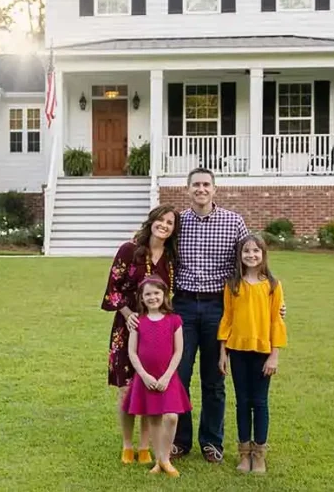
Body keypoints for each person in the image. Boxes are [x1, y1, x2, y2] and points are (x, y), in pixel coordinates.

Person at [171, 167, 248, 464]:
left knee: (214, 378)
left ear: (215, 189)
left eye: (206, 185)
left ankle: (212, 441)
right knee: (180, 374)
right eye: (196, 185)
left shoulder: (233, 222)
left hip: (219, 307)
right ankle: (180, 439)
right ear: (187, 189)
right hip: (184, 307)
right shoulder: (178, 223)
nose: (201, 189)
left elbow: (250, 262)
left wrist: (272, 300)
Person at [101, 205, 180, 465]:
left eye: (170, 223)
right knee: (126, 389)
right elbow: (113, 288)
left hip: (156, 330)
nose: (164, 225)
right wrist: (127, 314)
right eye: (161, 220)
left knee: (148, 387)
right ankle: (127, 445)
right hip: (127, 326)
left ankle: (145, 446)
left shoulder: (170, 257)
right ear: (151, 221)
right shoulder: (129, 250)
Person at [219, 234, 288, 474]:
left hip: (262, 352)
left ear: (263, 254)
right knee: (242, 403)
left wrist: (274, 355)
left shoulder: (272, 285)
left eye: (256, 251)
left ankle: (259, 454)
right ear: (240, 256)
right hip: (237, 351)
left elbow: (276, 321)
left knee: (259, 403)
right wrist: (222, 353)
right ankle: (244, 452)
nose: (251, 255)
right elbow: (227, 319)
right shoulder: (232, 285)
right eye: (246, 251)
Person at [122, 275, 191, 478]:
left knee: (171, 416)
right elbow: (132, 352)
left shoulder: (174, 320)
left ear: (164, 295)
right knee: (153, 418)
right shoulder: (138, 322)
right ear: (142, 298)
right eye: (148, 294)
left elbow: (178, 351)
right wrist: (143, 375)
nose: (153, 297)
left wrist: (168, 376)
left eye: (156, 293)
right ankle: (159, 460)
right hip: (146, 379)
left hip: (167, 378)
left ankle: (165, 457)